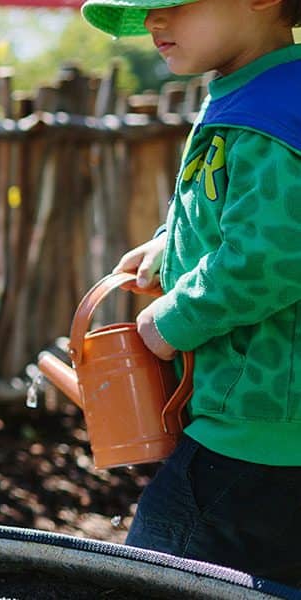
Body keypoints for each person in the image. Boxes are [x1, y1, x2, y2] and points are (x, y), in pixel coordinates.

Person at [86, 0, 301, 584]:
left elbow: (272, 257)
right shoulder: (254, 90)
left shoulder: (274, 112)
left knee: (153, 576)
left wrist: (175, 318)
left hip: (252, 427)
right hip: (267, 427)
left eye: (171, 5)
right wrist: (169, 243)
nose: (154, 21)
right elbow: (238, 212)